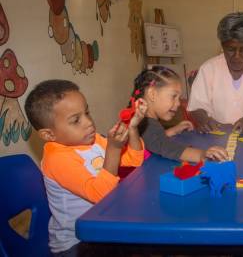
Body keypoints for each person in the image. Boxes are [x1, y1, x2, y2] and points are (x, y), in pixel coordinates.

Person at [24, 79, 146, 256]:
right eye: (76, 120)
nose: (88, 122)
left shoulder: (94, 140)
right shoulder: (56, 159)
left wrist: (133, 129)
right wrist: (113, 149)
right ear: (49, 134)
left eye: (87, 112)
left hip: (101, 228)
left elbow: (134, 160)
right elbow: (101, 195)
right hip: (76, 243)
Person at [133, 66, 228, 162]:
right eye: (174, 96)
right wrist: (202, 155)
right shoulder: (146, 124)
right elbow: (166, 147)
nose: (178, 103)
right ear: (152, 94)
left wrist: (171, 131)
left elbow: (152, 140)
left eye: (179, 98)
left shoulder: (144, 120)